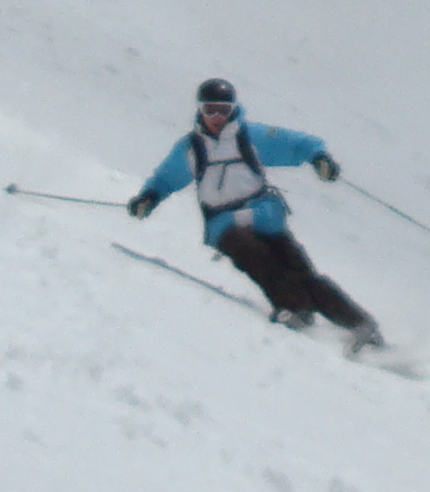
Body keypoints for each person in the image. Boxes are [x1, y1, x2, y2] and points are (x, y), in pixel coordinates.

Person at [130, 79, 384, 353]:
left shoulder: (249, 137)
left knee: (302, 273)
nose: (216, 117)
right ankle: (293, 307)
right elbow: (167, 177)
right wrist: (148, 198)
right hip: (224, 222)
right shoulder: (192, 148)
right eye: (210, 109)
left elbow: (297, 144)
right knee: (252, 255)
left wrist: (320, 159)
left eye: (223, 110)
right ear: (200, 110)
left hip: (264, 216)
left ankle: (361, 326)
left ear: (233, 110)